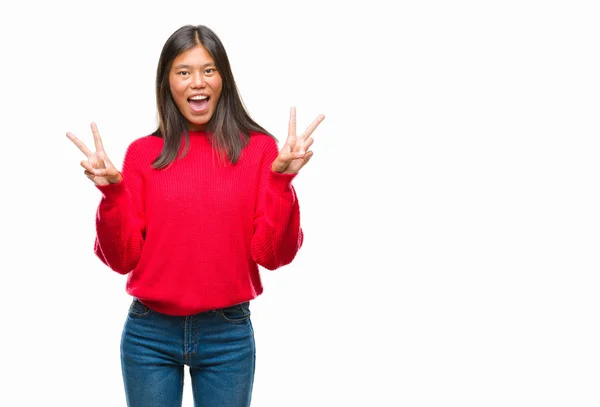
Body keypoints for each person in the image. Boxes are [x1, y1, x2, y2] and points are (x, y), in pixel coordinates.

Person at [66, 24, 324, 407]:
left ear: (223, 79)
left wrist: (281, 183)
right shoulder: (142, 154)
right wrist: (111, 193)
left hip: (228, 336)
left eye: (208, 70)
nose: (196, 82)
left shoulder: (259, 150)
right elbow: (121, 259)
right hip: (149, 335)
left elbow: (274, 255)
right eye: (183, 72)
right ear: (167, 82)